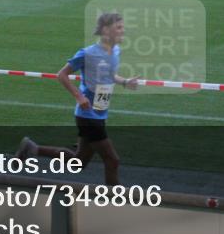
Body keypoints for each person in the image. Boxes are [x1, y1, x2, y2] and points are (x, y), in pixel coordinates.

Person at [16, 12, 138, 185]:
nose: (122, 31)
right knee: (112, 161)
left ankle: (32, 148)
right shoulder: (87, 53)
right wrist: (79, 96)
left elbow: (109, 75)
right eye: (118, 27)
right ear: (105, 30)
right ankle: (112, 201)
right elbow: (62, 75)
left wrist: (125, 82)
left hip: (100, 112)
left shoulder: (115, 51)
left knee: (78, 162)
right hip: (88, 116)